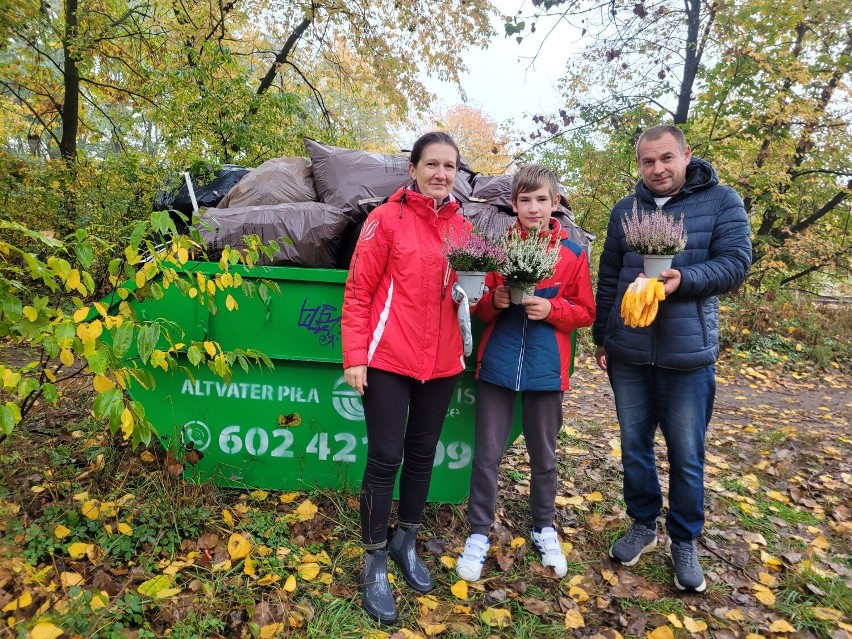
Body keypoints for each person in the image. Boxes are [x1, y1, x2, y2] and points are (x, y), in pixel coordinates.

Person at [593, 124, 752, 592]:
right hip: (629, 353)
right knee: (634, 446)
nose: (657, 169)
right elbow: (609, 276)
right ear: (639, 164)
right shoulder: (627, 210)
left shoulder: (722, 202)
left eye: (666, 158)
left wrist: (687, 278)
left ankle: (684, 538)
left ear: (685, 155)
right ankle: (643, 522)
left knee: (686, 455)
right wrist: (604, 337)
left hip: (688, 355)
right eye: (648, 161)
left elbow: (736, 263)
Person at [341, 131, 471, 624]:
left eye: (450, 167)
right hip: (388, 358)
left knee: (421, 455)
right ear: (413, 168)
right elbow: (357, 294)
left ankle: (405, 542)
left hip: (441, 363)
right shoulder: (384, 220)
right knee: (385, 457)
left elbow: (481, 282)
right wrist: (356, 355)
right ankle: (373, 560)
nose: (441, 174)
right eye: (432, 164)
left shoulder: (464, 229)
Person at [455, 164, 596, 582]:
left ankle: (544, 527)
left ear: (555, 204)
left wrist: (553, 310)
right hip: (497, 365)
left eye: (541, 200)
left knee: (544, 457)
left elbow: (586, 312)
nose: (533, 208)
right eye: (525, 200)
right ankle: (479, 533)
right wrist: (494, 301)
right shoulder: (496, 248)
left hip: (546, 370)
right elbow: (476, 307)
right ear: (514, 204)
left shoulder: (571, 253)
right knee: (487, 456)